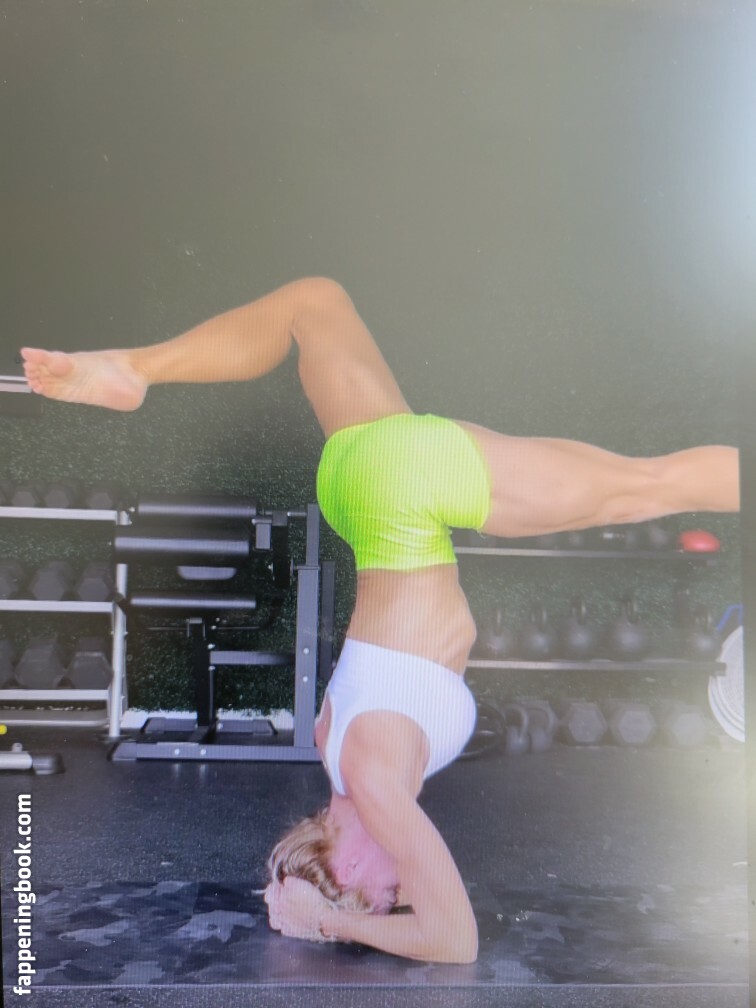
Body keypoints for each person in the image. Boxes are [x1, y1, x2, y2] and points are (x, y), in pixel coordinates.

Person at [21, 277, 740, 963]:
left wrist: (328, 921)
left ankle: (132, 370)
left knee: (654, 485)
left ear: (348, 868)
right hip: (357, 484)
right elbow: (400, 885)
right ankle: (135, 368)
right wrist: (303, 893)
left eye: (384, 897)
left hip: (405, 496)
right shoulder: (333, 746)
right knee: (313, 301)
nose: (401, 892)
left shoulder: (372, 782)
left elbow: (452, 939)